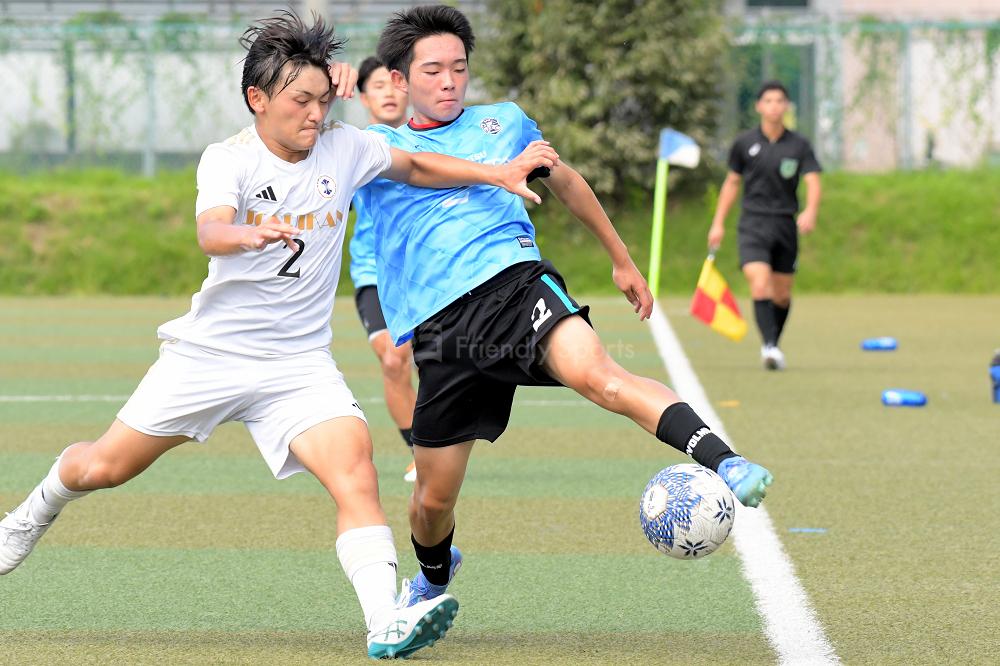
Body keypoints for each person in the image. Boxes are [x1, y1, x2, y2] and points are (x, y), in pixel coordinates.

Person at [0, 10, 556, 660]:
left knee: (356, 470)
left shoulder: (345, 147)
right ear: (257, 98)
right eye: (300, 102)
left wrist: (496, 173)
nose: (315, 115)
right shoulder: (229, 158)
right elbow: (211, 229)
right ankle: (27, 517)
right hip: (210, 357)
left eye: (323, 100)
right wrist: (246, 233)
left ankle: (385, 622)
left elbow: (416, 165)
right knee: (102, 467)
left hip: (298, 365)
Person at [353, 5, 775, 610]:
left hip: (516, 286)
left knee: (602, 376)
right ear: (398, 79)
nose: (449, 81)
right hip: (443, 331)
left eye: (459, 68)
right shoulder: (376, 147)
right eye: (433, 70)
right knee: (432, 501)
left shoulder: (503, 121)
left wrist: (621, 258)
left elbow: (566, 180)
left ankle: (725, 462)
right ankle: (434, 579)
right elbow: (407, 165)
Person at [707, 80, 822, 370]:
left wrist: (810, 210)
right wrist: (718, 223)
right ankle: (769, 346)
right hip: (753, 224)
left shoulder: (799, 145)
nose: (774, 106)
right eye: (768, 101)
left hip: (785, 224)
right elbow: (732, 183)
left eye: (779, 101)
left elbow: (812, 179)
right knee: (760, 284)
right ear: (759, 106)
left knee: (782, 295)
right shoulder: (744, 143)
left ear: (786, 106)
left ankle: (773, 343)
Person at [349, 56, 418, 483]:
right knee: (394, 359)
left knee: (441, 361)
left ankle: (442, 445)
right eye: (377, 85)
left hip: (426, 271)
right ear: (362, 97)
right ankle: (419, 453)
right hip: (373, 273)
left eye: (395, 83)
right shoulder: (352, 148)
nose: (389, 92)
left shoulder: (427, 141)